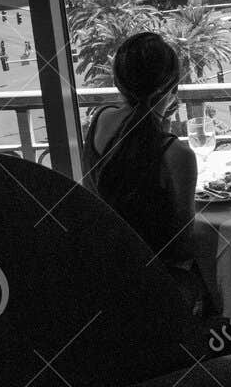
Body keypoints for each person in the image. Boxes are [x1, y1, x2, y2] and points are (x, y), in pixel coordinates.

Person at [81, 31, 210, 314]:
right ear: (172, 87)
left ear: (118, 82)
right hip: (157, 289)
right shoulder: (176, 155)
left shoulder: (99, 121)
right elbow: (183, 246)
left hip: (105, 278)